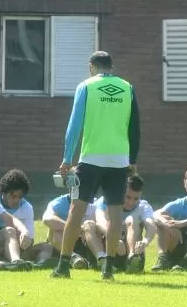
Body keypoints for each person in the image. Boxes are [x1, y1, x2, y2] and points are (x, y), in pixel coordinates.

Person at [52, 50, 141, 281]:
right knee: (115, 214)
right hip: (119, 160)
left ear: (91, 66)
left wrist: (66, 159)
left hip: (91, 158)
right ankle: (108, 269)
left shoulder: (86, 86)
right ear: (111, 66)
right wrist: (132, 159)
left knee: (76, 210)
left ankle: (63, 266)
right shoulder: (127, 87)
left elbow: (74, 126)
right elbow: (135, 127)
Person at [0, 169, 52, 263]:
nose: (16, 201)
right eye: (13, 196)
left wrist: (25, 241)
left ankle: (39, 265)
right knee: (9, 231)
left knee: (47, 247)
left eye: (20, 197)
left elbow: (30, 239)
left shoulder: (27, 207)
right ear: (4, 191)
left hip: (19, 248)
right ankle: (15, 261)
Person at [94, 174, 157, 274]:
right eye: (128, 197)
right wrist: (114, 238)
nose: (131, 202)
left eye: (136, 199)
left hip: (131, 249)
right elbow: (100, 221)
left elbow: (151, 226)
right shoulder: (106, 201)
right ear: (121, 192)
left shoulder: (144, 206)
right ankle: (105, 261)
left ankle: (133, 258)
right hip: (109, 245)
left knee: (132, 219)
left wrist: (145, 241)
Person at [42, 192, 100, 269]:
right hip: (65, 241)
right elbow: (47, 219)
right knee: (55, 233)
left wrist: (85, 228)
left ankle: (98, 260)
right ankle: (73, 258)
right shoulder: (58, 203)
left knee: (90, 225)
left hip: (86, 241)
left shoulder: (95, 204)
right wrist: (74, 228)